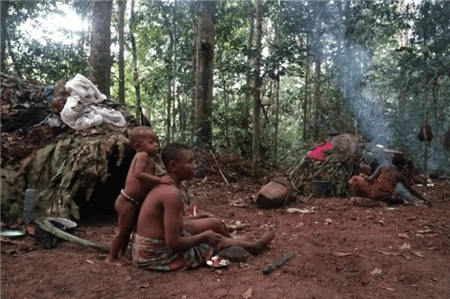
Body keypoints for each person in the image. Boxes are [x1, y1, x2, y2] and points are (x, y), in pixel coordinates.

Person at [131, 143, 275, 271]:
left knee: (213, 223)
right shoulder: (171, 193)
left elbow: (175, 221)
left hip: (149, 244)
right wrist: (202, 237)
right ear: (173, 166)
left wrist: (203, 217)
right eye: (190, 162)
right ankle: (255, 246)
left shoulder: (169, 185)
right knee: (212, 240)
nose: (195, 166)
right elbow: (173, 243)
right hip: (153, 253)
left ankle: (237, 241)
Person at [106, 126, 172, 266]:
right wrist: (159, 180)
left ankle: (122, 254)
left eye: (156, 141)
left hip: (132, 202)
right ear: (138, 146)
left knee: (128, 230)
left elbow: (148, 178)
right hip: (126, 201)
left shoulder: (149, 159)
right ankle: (111, 257)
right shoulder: (142, 155)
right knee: (122, 231)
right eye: (151, 142)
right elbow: (139, 174)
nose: (156, 145)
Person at [348, 155, 427, 205]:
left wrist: (363, 176)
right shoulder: (400, 176)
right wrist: (424, 199)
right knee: (395, 192)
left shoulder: (383, 167)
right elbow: (411, 190)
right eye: (403, 165)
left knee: (355, 178)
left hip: (373, 192)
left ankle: (354, 198)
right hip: (384, 196)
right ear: (401, 165)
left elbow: (370, 179)